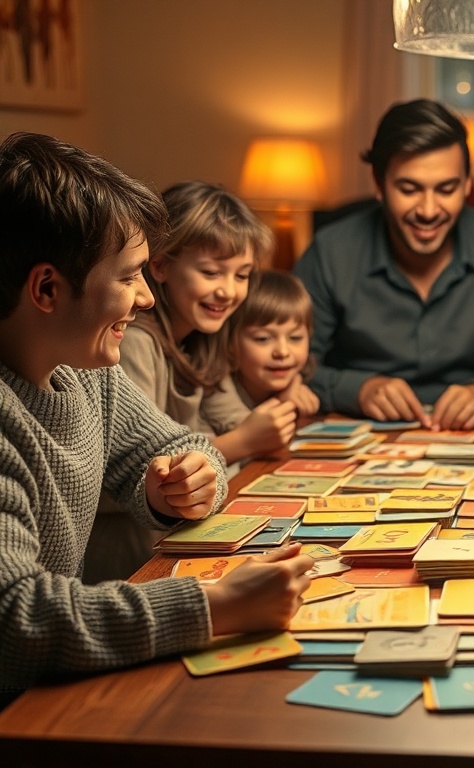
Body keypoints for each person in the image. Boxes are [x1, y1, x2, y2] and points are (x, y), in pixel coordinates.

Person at [0, 132, 312, 705]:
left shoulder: (86, 371)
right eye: (128, 277)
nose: (146, 298)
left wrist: (189, 479)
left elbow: (187, 444)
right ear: (47, 287)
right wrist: (215, 605)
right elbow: (17, 618)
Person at [293, 98, 474, 430]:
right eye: (409, 189)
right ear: (379, 185)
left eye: (446, 189)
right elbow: (288, 364)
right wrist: (357, 390)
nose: (428, 210)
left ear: (467, 184)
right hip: (356, 434)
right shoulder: (331, 251)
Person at [85, 181, 296, 583]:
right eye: (211, 272)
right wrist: (245, 442)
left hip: (179, 529)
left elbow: (233, 415)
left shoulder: (203, 336)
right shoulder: (133, 342)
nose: (228, 290)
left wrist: (280, 399)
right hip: (128, 554)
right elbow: (132, 468)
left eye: (242, 275)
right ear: (161, 266)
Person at [228, 269, 319, 416]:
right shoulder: (215, 395)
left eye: (295, 338)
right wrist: (281, 405)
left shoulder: (296, 386)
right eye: (263, 339)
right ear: (229, 344)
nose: (283, 352)